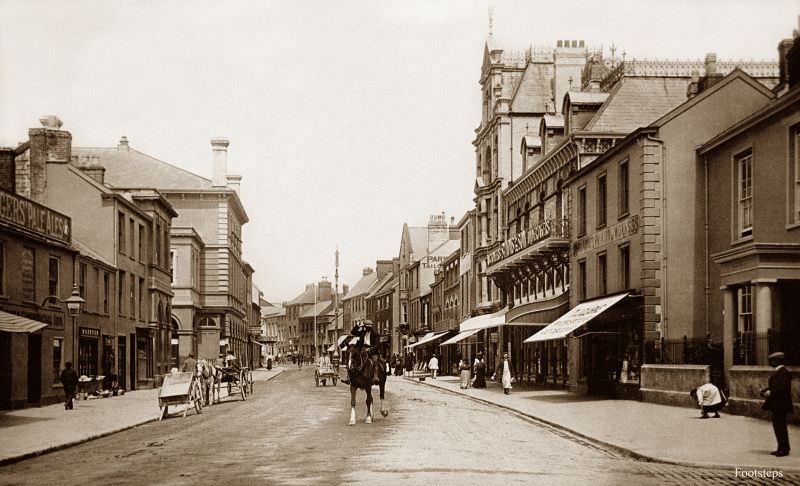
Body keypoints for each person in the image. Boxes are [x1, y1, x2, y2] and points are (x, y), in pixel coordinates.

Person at [761, 351, 793, 457]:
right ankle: (782, 448)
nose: (770, 362)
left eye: (772, 360)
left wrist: (770, 392)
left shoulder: (783, 372)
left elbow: (782, 389)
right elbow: (777, 387)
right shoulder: (781, 372)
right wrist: (765, 391)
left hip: (780, 405)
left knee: (780, 427)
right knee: (779, 427)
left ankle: (783, 449)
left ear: (777, 361)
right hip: (779, 404)